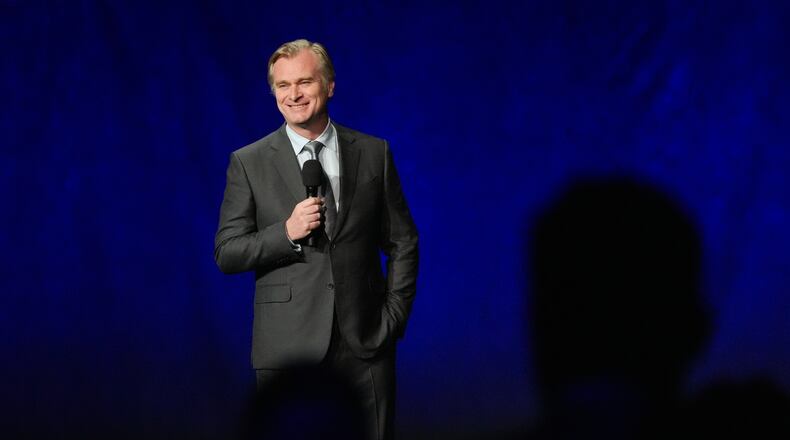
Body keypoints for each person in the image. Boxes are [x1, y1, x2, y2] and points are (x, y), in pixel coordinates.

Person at [214, 39, 418, 440]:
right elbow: (227, 252)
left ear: (329, 85)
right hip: (288, 349)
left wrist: (392, 317)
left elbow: (403, 241)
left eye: (304, 82)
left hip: (365, 344)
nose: (294, 95)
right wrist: (286, 233)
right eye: (283, 85)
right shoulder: (249, 161)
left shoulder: (374, 153)